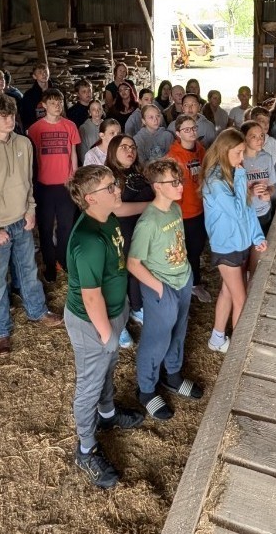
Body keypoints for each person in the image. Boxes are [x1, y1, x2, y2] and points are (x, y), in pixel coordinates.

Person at [63, 165, 145, 489]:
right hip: (92, 323)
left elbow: (123, 207)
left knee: (107, 368)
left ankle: (108, 415)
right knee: (88, 384)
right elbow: (90, 296)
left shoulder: (106, 213)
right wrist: (107, 334)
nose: (117, 190)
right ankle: (85, 449)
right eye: (110, 187)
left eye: (115, 184)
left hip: (113, 311)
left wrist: (151, 205)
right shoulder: (88, 241)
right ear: (89, 198)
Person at [0, 95, 62, 355]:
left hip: (22, 220)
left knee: (29, 269)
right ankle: (0, 329)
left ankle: (37, 311)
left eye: (11, 115)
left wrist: (30, 210)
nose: (9, 120)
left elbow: (28, 182)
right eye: (3, 117)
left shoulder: (23, 143)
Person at [128, 158, 203, 421]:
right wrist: (159, 288)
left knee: (179, 329)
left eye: (179, 180)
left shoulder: (175, 209)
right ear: (158, 187)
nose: (181, 185)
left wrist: (187, 273)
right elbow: (133, 264)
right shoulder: (148, 221)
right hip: (161, 286)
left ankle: (172, 375)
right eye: (174, 181)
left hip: (182, 279)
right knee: (157, 337)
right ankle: (146, 390)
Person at [202, 129, 266, 354]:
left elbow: (247, 209)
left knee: (228, 292)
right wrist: (241, 178)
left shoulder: (231, 173)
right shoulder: (215, 183)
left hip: (238, 244)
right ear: (224, 151)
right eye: (238, 153)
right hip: (226, 247)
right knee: (242, 298)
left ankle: (217, 337)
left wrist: (257, 236)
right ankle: (238, 353)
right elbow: (238, 212)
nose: (242, 159)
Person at [105, 134, 154, 345]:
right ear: (113, 151)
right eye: (124, 147)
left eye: (132, 146)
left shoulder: (138, 172)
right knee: (119, 277)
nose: (130, 150)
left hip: (140, 231)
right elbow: (117, 208)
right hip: (119, 234)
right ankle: (119, 324)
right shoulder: (109, 177)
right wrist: (149, 206)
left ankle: (136, 308)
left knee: (137, 271)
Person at [27, 89, 80, 282]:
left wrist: (73, 177)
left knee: (66, 227)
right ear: (44, 105)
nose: (57, 106)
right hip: (44, 186)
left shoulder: (70, 126)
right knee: (46, 228)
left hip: (65, 185)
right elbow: (31, 158)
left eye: (60, 102)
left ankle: (63, 261)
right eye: (53, 103)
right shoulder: (35, 129)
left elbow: (73, 153)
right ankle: (49, 264)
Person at [168, 114, 209, 303]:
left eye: (194, 128)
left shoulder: (200, 150)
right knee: (185, 251)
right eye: (186, 129)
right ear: (178, 133)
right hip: (183, 212)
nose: (191, 132)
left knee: (197, 247)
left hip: (200, 208)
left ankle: (193, 281)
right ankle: (189, 285)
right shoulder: (174, 157)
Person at [240, 120, 276, 242]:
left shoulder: (267, 157)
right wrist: (250, 193)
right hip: (244, 214)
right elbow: (230, 193)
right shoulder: (238, 160)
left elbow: (272, 185)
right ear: (244, 138)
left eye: (261, 135)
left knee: (261, 246)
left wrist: (269, 194)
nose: (259, 140)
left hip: (264, 212)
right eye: (254, 136)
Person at [20, 61, 57, 130]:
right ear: (34, 76)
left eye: (45, 71)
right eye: (40, 72)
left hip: (56, 127)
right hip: (38, 129)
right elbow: (26, 117)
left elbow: (64, 112)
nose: (44, 74)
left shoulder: (57, 92)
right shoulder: (29, 95)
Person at [78, 99, 105, 164]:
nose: (97, 112)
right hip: (90, 166)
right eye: (93, 109)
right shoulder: (83, 128)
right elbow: (82, 151)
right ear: (89, 112)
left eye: (99, 109)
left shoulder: (108, 126)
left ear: (102, 111)